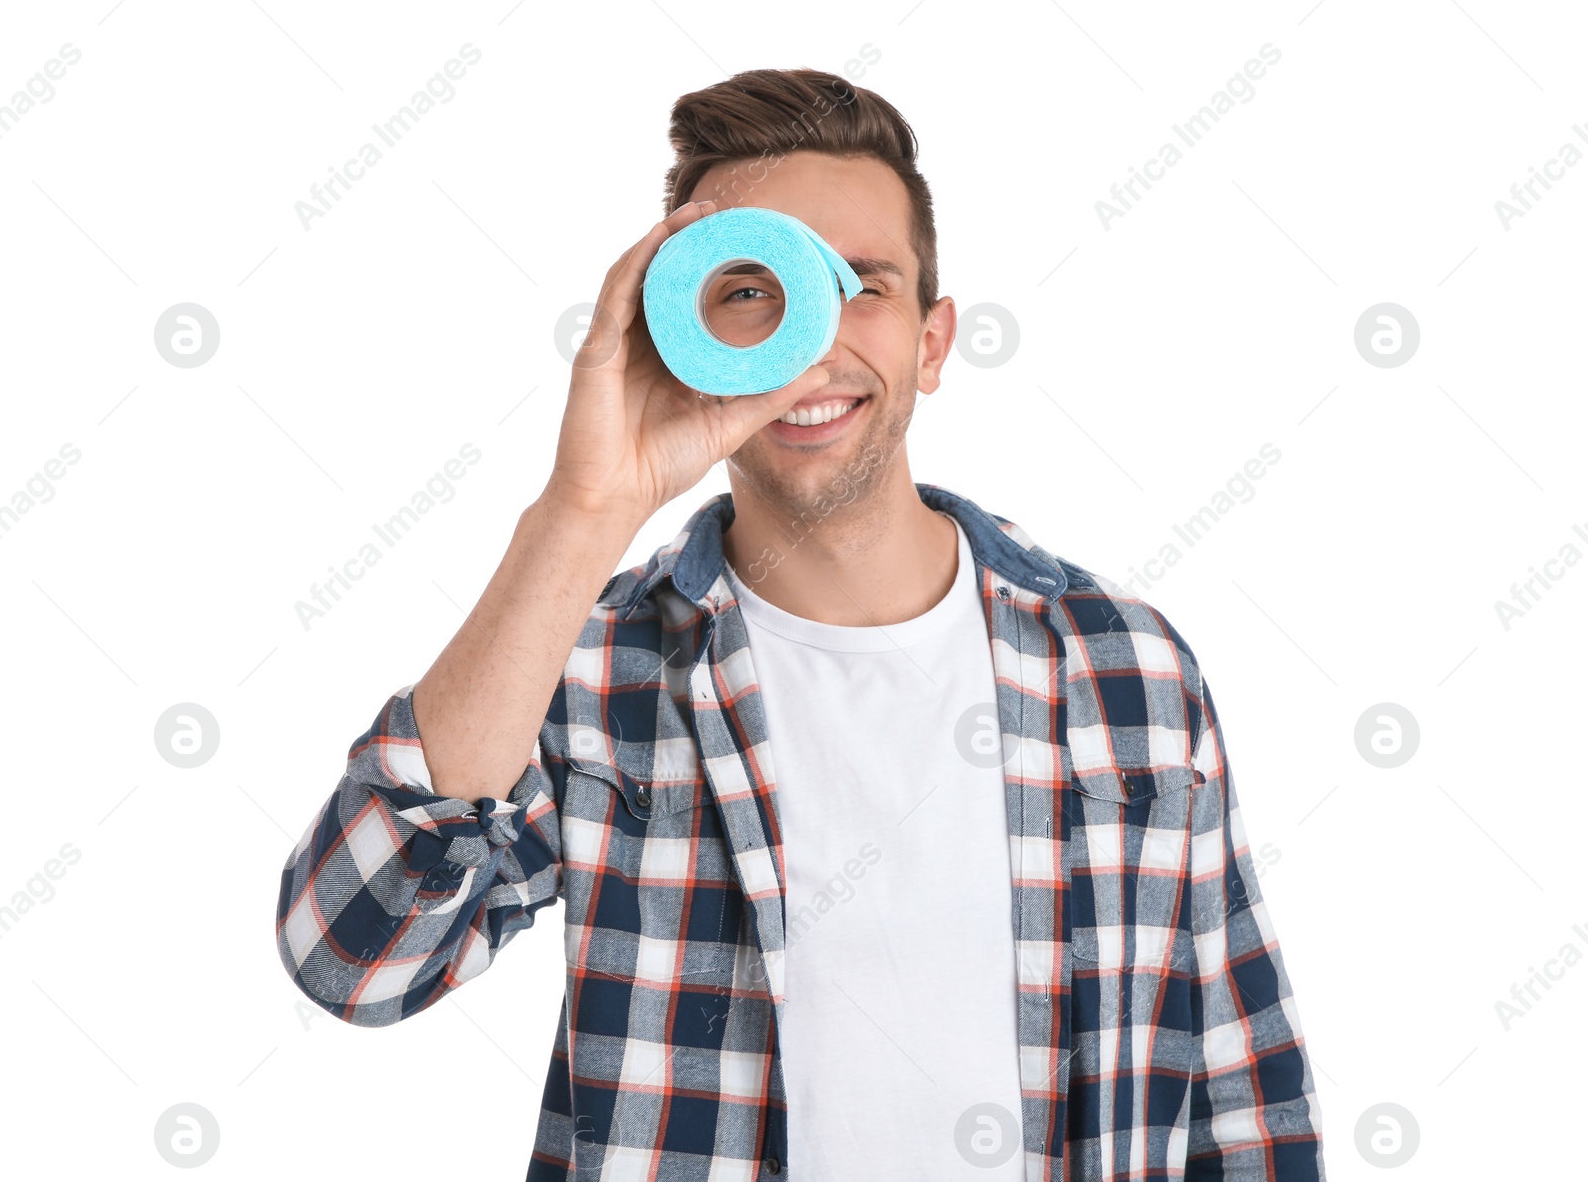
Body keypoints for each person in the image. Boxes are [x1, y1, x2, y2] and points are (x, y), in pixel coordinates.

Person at [275, 68, 1325, 1180]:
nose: (813, 341)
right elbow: (354, 957)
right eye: (753, 288)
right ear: (680, 329)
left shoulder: (1127, 665)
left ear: (932, 340)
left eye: (859, 284)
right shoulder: (593, 670)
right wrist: (583, 511)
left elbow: (1240, 1092)